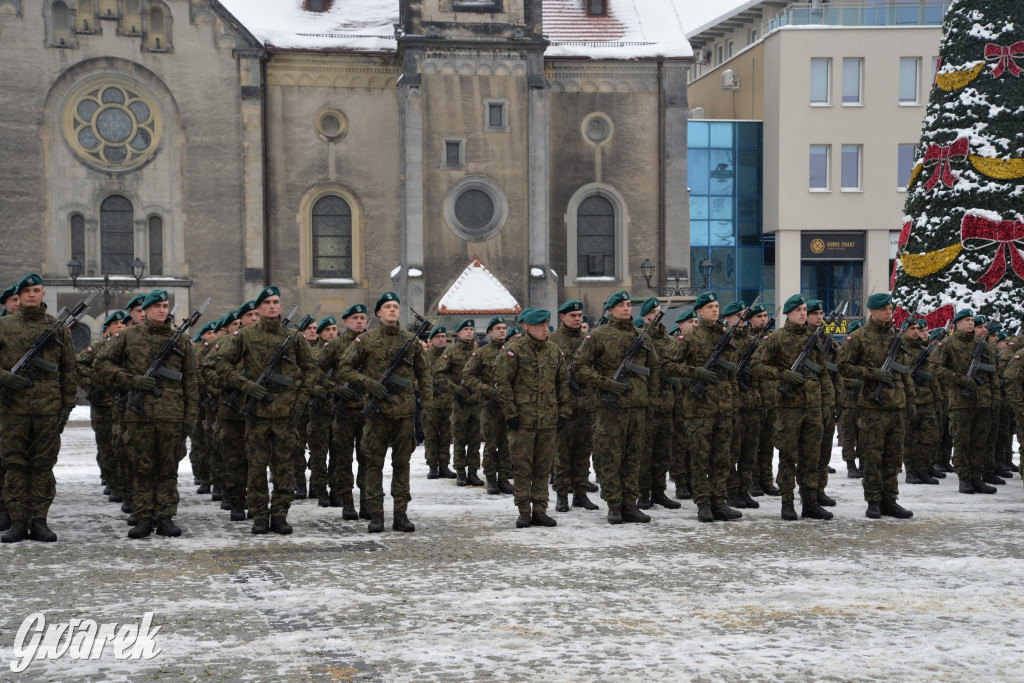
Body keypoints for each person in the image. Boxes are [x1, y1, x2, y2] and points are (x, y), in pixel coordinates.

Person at [95, 290, 200, 538]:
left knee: (167, 468)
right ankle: (143, 517)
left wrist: (190, 417)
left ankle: (165, 518)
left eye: (165, 306)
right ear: (146, 311)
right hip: (138, 413)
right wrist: (130, 380)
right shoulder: (128, 336)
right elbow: (101, 364)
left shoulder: (180, 340)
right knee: (141, 468)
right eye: (157, 307)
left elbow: (191, 382)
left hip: (172, 415)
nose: (162, 310)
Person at [213, 286, 316, 534]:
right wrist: (246, 386)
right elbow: (220, 362)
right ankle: (260, 514)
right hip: (256, 413)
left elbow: (311, 369)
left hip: (286, 414)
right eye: (267, 302)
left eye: (276, 302)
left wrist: (299, 400)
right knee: (257, 467)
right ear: (258, 308)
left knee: (284, 467)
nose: (272, 306)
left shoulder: (293, 337)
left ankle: (280, 514)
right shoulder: (245, 336)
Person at [337, 292, 431, 533]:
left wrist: (425, 404)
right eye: (387, 307)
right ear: (378, 313)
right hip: (377, 413)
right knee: (373, 465)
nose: (392, 310)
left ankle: (401, 514)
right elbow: (344, 369)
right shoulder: (366, 340)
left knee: (402, 464)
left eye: (396, 306)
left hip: (405, 413)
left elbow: (424, 374)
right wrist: (369, 383)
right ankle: (376, 514)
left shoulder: (410, 340)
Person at [0, 274, 77, 543]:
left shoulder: (56, 328)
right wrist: (4, 376)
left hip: (47, 409)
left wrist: (67, 406)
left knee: (43, 466)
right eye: (26, 291)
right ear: (18, 296)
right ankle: (18, 522)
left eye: (36, 290)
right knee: (15, 466)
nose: (31, 295)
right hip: (13, 410)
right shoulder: (4, 326)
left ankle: (40, 521)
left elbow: (68, 369)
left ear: (43, 294)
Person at [575, 291, 656, 525]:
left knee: (634, 458)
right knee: (611, 457)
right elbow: (580, 368)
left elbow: (655, 369)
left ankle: (630, 504)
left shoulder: (642, 336)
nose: (626, 309)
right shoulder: (598, 336)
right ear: (610, 310)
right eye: (620, 305)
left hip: (638, 407)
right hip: (611, 408)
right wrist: (605, 383)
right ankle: (614, 505)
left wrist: (651, 399)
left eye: (629, 305)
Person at [751, 294, 832, 521]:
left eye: (805, 309)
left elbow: (823, 373)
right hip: (789, 408)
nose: (803, 313)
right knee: (788, 456)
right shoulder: (776, 339)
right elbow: (756, 366)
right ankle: (787, 502)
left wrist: (827, 402)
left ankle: (810, 503)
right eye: (799, 310)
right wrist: (782, 374)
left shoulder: (813, 338)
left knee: (811, 458)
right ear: (788, 313)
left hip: (813, 407)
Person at [663, 292, 741, 523]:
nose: (715, 310)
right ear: (699, 311)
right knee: (700, 458)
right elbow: (667, 365)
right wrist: (695, 372)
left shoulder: (726, 336)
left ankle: (719, 502)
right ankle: (703, 504)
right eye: (709, 307)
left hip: (723, 407)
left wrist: (733, 403)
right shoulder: (691, 337)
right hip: (699, 409)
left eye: (717, 306)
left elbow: (731, 373)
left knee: (722, 458)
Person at [837, 293, 915, 519]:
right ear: (872, 311)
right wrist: (873, 374)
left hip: (897, 406)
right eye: (883, 309)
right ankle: (873, 501)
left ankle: (890, 500)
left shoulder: (895, 337)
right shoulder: (858, 337)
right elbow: (843, 367)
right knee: (872, 457)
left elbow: (904, 371)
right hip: (872, 406)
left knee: (893, 458)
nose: (888, 312)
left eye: (890, 309)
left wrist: (910, 400)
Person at [494, 308, 570, 528]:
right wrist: (511, 413)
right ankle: (524, 511)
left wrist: (563, 412)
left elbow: (563, 383)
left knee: (543, 468)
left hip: (548, 420)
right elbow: (503, 383)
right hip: (523, 421)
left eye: (547, 325)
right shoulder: (513, 350)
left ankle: (540, 509)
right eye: (540, 325)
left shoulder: (554, 351)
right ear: (527, 326)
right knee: (522, 468)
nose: (545, 329)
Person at [933, 308, 999, 495]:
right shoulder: (947, 344)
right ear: (957, 323)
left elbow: (991, 372)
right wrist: (960, 379)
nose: (971, 323)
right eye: (967, 320)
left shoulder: (982, 345)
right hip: (960, 401)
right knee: (962, 441)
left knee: (980, 442)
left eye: (972, 320)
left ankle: (976, 478)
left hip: (983, 400)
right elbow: (934, 368)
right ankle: (964, 479)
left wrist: (995, 398)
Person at [317, 304, 372, 518]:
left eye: (362, 317)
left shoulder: (374, 342)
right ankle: (347, 502)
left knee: (368, 459)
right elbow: (316, 371)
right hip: (344, 411)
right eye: (355, 318)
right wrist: (334, 389)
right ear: (346, 321)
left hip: (369, 411)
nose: (359, 321)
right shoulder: (335, 345)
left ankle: (367, 501)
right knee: (343, 458)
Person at [550, 300, 599, 512]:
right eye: (573, 316)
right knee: (562, 454)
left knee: (583, 452)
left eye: (580, 315)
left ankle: (580, 494)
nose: (578, 319)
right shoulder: (552, 341)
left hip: (587, 405)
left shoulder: (589, 339)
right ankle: (562, 495)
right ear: (562, 317)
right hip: (564, 407)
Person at [76, 310, 129, 503]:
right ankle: (113, 482)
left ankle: (124, 483)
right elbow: (77, 365)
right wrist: (91, 384)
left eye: (123, 324)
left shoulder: (128, 347)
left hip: (124, 404)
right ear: (107, 329)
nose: (121, 327)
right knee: (107, 446)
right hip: (104, 405)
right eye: (116, 325)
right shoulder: (98, 348)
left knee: (123, 445)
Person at [636, 298, 681, 511]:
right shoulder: (640, 339)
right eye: (653, 312)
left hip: (667, 403)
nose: (657, 315)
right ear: (645, 317)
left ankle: (659, 491)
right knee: (645, 451)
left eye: (659, 311)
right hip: (647, 403)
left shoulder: (669, 341)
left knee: (664, 451)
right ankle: (643, 493)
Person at [463, 317, 514, 495]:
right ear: (490, 332)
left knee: (507, 443)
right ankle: (491, 478)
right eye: (498, 328)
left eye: (504, 328)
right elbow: (468, 377)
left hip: (509, 406)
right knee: (491, 444)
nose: (502, 331)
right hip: (490, 405)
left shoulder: (513, 351)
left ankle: (504, 477)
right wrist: (487, 390)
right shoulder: (482, 353)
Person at [437, 319, 485, 486]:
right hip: (460, 403)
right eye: (466, 329)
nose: (469, 332)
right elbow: (439, 375)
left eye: (472, 329)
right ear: (459, 333)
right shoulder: (450, 352)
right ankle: (460, 472)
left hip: (476, 402)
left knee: (475, 440)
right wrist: (455, 389)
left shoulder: (479, 352)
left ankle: (473, 472)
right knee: (460, 439)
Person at [805, 300, 838, 508]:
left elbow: (838, 369)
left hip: (828, 398)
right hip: (808, 401)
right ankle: (808, 492)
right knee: (810, 451)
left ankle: (820, 489)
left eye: (821, 313)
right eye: (815, 313)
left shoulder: (829, 341)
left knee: (825, 450)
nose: (819, 316)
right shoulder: (802, 339)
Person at [902, 319, 941, 485]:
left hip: (926, 400)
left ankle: (923, 469)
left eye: (918, 328)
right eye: (912, 328)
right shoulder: (899, 350)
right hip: (908, 400)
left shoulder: (924, 351)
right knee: (909, 438)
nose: (916, 331)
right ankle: (911, 471)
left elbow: (931, 376)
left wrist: (937, 397)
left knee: (930, 437)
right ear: (904, 331)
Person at [307, 316, 339, 506]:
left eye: (334, 329)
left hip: (338, 409)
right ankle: (320, 490)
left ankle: (336, 489)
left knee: (338, 454)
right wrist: (312, 389)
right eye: (328, 330)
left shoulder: (343, 351)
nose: (332, 333)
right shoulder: (310, 352)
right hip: (318, 411)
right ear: (320, 333)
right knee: (319, 454)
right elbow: (302, 376)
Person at [668, 308, 699, 500]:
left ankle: (692, 479)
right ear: (680, 326)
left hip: (698, 401)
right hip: (679, 400)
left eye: (696, 321)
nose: (694, 325)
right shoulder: (675, 344)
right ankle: (680, 481)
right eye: (690, 322)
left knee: (694, 444)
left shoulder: (701, 344)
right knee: (679, 444)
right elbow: (669, 369)